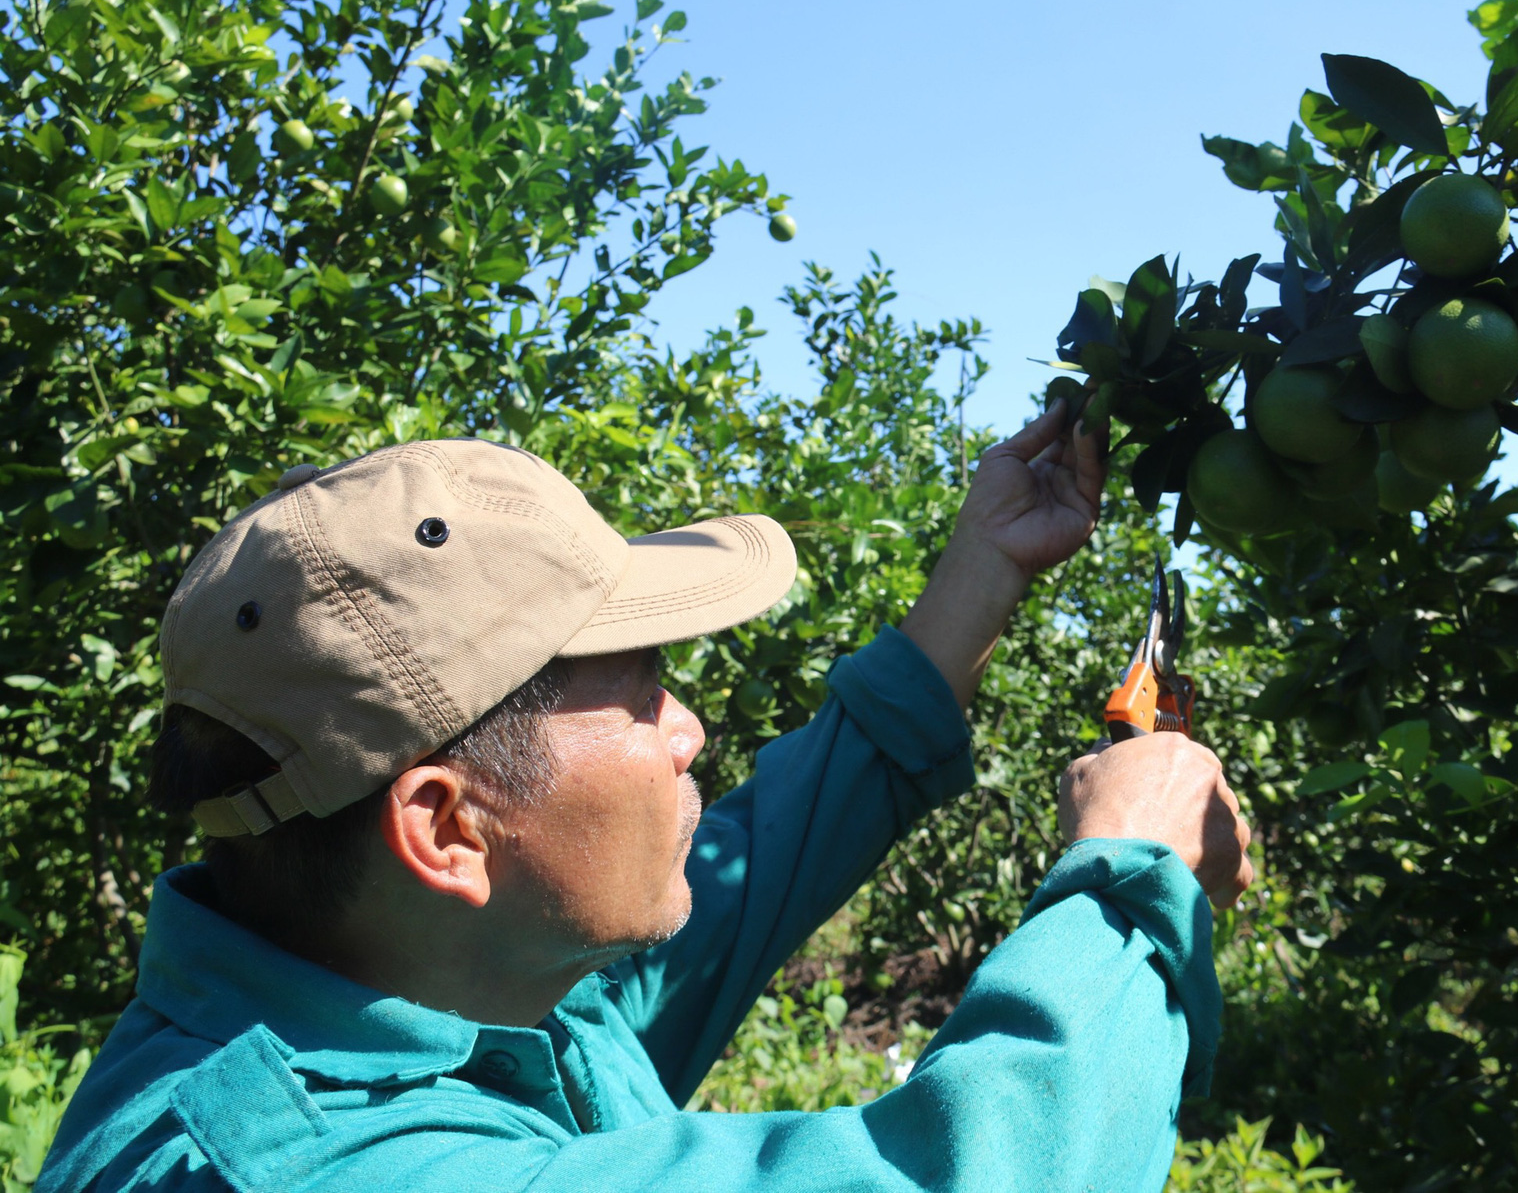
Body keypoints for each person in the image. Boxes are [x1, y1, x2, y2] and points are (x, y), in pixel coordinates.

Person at [42, 411, 1254, 1193]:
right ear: (447, 825)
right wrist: (1131, 873)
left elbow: (750, 863)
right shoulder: (315, 1167)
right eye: (642, 694)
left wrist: (982, 570)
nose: (692, 731)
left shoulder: (452, 983)